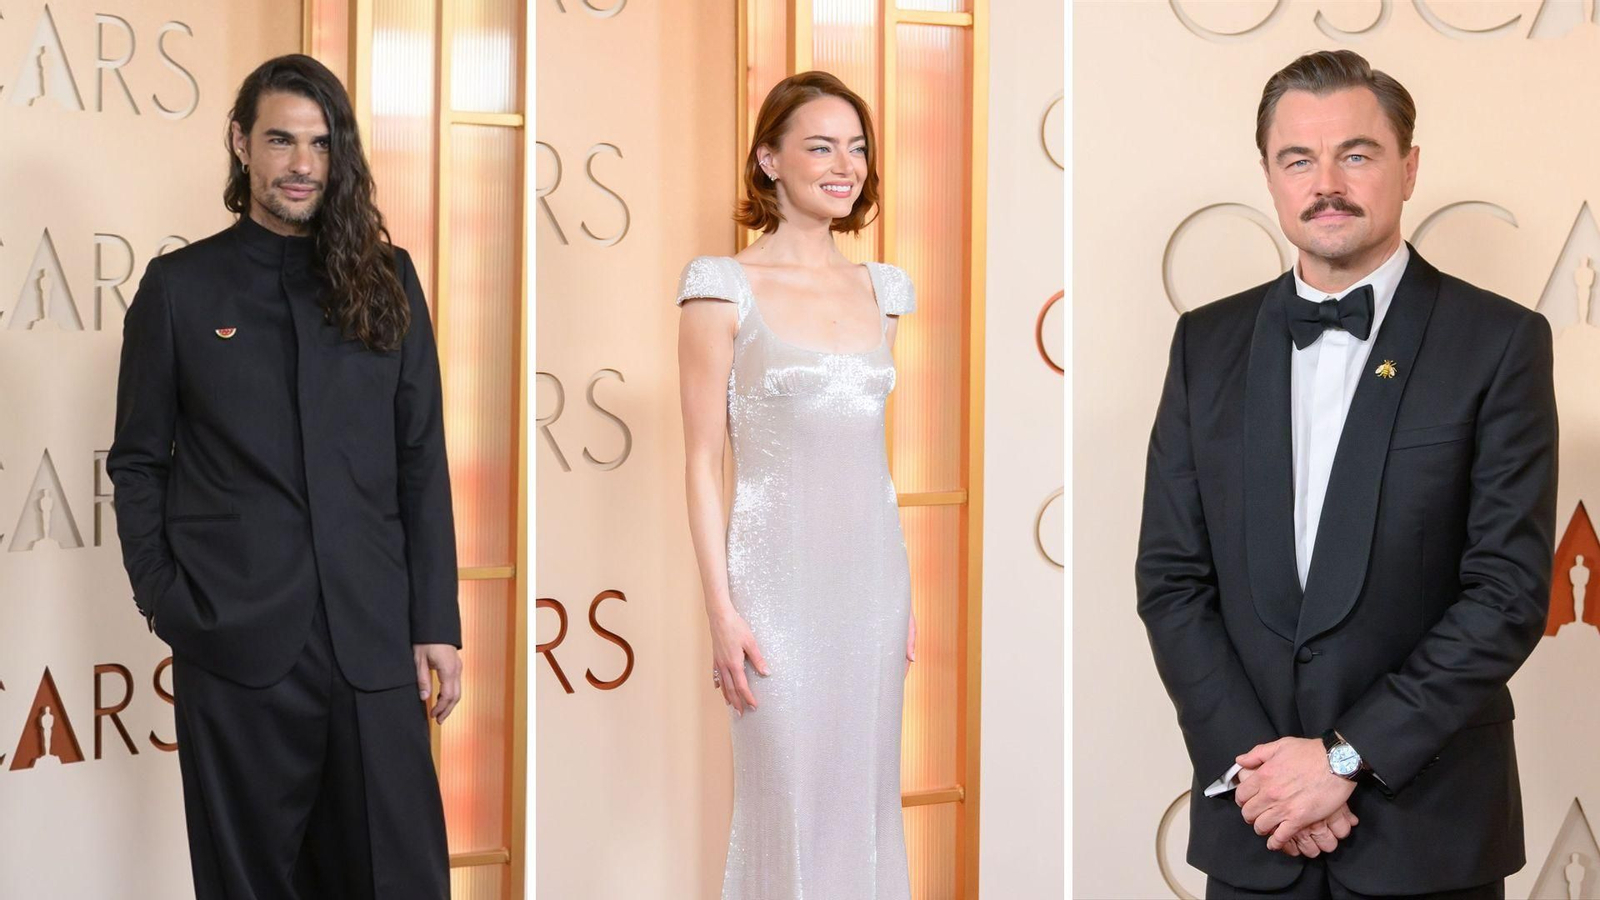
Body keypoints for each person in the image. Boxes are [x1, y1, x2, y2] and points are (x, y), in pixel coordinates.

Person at [1137, 49, 1557, 899]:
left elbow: (1506, 593)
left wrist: (1344, 759)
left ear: (1408, 169)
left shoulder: (1500, 342)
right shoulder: (1203, 345)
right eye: (1299, 158)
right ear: (1268, 174)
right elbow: (1173, 581)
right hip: (1256, 824)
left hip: (1428, 829)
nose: (1326, 181)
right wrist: (1264, 777)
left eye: (1356, 153)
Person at [107, 54, 461, 899]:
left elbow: (422, 458)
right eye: (280, 140)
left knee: (396, 877)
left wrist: (434, 620)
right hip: (236, 643)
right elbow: (137, 461)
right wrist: (167, 600)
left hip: (371, 641)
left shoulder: (389, 280)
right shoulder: (179, 289)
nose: (302, 163)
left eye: (320, 142)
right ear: (241, 144)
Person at [675, 70, 917, 900]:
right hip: (773, 591)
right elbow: (702, 461)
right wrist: (722, 611)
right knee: (785, 802)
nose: (843, 164)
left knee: (866, 798)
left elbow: (875, 464)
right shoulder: (720, 286)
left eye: (856, 147)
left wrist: (906, 597)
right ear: (769, 160)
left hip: (874, 586)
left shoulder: (884, 291)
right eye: (820, 145)